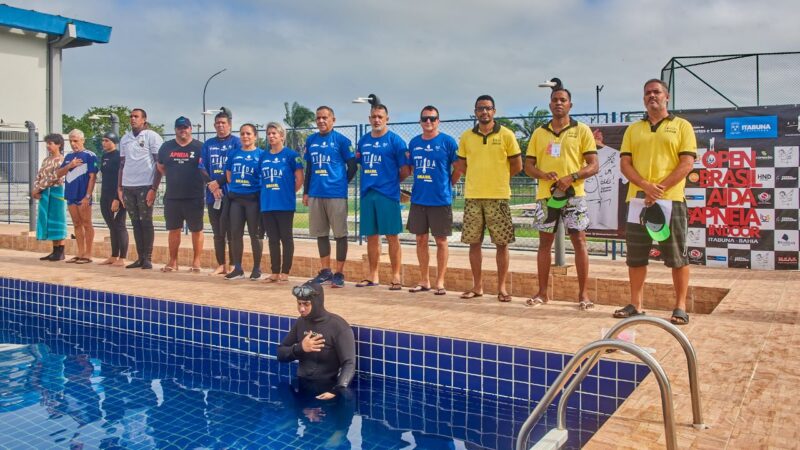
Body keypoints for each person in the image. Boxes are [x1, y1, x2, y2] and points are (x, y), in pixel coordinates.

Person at [614, 79, 697, 325]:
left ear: (667, 97)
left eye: (657, 92)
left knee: (677, 256)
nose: (652, 96)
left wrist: (658, 189)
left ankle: (680, 307)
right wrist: (645, 186)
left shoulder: (681, 126)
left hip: (671, 200)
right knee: (636, 255)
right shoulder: (634, 129)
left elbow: (687, 163)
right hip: (638, 200)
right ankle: (636, 304)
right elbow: (625, 164)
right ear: (643, 99)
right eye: (648, 93)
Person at [524, 86, 599, 308]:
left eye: (563, 100)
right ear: (550, 105)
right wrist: (542, 174)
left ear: (570, 105)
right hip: (546, 197)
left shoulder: (582, 130)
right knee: (544, 244)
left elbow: (593, 165)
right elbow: (528, 165)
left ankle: (583, 295)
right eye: (555, 100)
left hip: (574, 196)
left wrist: (572, 177)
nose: (559, 103)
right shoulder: (539, 133)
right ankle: (542, 293)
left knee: (579, 242)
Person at [454, 95, 522, 302]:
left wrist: (498, 179)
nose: (484, 112)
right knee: (474, 243)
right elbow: (461, 165)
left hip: (499, 197)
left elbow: (517, 165)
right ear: (475, 112)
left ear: (494, 111)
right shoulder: (466, 137)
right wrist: (477, 178)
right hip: (473, 197)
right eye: (480, 108)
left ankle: (502, 288)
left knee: (502, 244)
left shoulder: (507, 135)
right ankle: (477, 286)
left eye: (488, 108)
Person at [355, 103, 411, 290]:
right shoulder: (363, 141)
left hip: (387, 194)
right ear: (369, 119)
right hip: (367, 194)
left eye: (380, 116)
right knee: (371, 236)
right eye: (374, 116)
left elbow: (405, 169)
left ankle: (395, 276)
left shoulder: (395, 141)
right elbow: (360, 163)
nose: (377, 119)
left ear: (387, 118)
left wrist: (392, 182)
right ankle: (373, 275)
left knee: (392, 236)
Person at [406, 105, 460, 295]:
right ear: (420, 121)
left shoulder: (447, 142)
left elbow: (458, 167)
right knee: (420, 239)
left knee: (441, 241)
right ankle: (424, 280)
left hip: (440, 200)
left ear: (439, 121)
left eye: (432, 118)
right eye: (425, 118)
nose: (428, 122)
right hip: (419, 199)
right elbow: (410, 168)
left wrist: (449, 183)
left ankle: (440, 281)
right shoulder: (413, 143)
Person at [303, 106, 357, 288]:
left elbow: (353, 166)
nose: (321, 121)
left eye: (325, 117)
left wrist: (341, 183)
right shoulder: (311, 141)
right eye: (318, 118)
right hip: (316, 193)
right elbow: (309, 168)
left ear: (333, 119)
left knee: (340, 234)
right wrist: (306, 191)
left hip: (336, 194)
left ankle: (339, 273)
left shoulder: (342, 140)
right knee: (321, 233)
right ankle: (325, 271)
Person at [277, 282, 356, 400]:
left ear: (316, 303)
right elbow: (280, 354)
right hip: (301, 387)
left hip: (328, 389)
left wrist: (337, 390)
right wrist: (300, 348)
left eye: (306, 304)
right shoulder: (301, 322)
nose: (301, 309)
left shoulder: (338, 326)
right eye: (299, 304)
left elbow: (349, 363)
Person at [153, 117, 207, 272]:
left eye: (185, 127)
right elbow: (161, 167)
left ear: (190, 128)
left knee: (197, 230)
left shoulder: (199, 147)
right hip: (173, 196)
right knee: (173, 230)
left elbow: (205, 168)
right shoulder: (166, 147)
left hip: (194, 196)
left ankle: (196, 263)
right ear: (175, 129)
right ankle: (173, 261)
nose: (183, 130)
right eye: (179, 128)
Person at [118, 108, 164, 269]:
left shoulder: (152, 136)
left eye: (136, 116)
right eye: (131, 116)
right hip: (128, 185)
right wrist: (120, 187)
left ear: (144, 119)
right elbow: (122, 164)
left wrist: (154, 188)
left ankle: (148, 258)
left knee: (146, 221)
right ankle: (140, 257)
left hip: (145, 185)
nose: (132, 119)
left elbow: (159, 164)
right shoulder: (125, 139)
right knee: (135, 222)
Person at [259, 122, 304, 283]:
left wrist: (288, 192)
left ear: (282, 136)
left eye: (274, 134)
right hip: (267, 204)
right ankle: (275, 272)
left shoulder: (291, 155)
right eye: (269, 133)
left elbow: (299, 178)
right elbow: (260, 178)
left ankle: (285, 271)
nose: (271, 136)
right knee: (272, 239)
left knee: (286, 238)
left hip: (284, 204)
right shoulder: (263, 156)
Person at [202, 111, 241, 276]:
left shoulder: (236, 143)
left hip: (231, 194)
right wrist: (213, 185)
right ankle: (221, 264)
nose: (220, 125)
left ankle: (233, 264)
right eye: (217, 123)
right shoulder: (208, 144)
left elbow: (234, 169)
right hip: (213, 194)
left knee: (232, 232)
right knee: (218, 233)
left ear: (230, 125)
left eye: (223, 123)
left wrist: (219, 183)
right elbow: (201, 167)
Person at [225, 123, 263, 280]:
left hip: (253, 200)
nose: (245, 137)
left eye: (248, 134)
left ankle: (256, 268)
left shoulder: (261, 154)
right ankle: (238, 268)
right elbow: (228, 174)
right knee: (235, 234)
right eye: (242, 134)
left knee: (255, 235)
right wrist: (237, 187)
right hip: (236, 200)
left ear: (255, 136)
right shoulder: (234, 154)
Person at [56, 129, 98, 264]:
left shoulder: (90, 155)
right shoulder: (68, 156)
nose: (73, 143)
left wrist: (87, 196)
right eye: (71, 141)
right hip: (70, 194)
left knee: (87, 223)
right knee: (76, 224)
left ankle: (88, 253)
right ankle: (80, 253)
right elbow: (58, 174)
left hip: (83, 195)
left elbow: (93, 177)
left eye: (76, 140)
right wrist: (70, 165)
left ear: (82, 140)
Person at [32, 133, 67, 261]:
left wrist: (39, 188)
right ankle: (54, 250)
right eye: (47, 143)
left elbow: (54, 177)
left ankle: (61, 250)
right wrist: (35, 188)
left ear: (58, 144)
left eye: (51, 143)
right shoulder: (46, 160)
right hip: (45, 192)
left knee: (58, 219)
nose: (48, 146)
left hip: (57, 191)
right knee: (47, 220)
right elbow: (40, 175)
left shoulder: (62, 160)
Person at [98, 132, 129, 266]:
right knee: (111, 226)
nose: (104, 143)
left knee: (119, 225)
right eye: (103, 140)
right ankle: (113, 255)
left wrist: (117, 197)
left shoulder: (119, 157)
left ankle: (123, 257)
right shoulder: (104, 156)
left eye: (107, 141)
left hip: (118, 196)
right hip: (105, 194)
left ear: (114, 142)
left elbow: (121, 177)